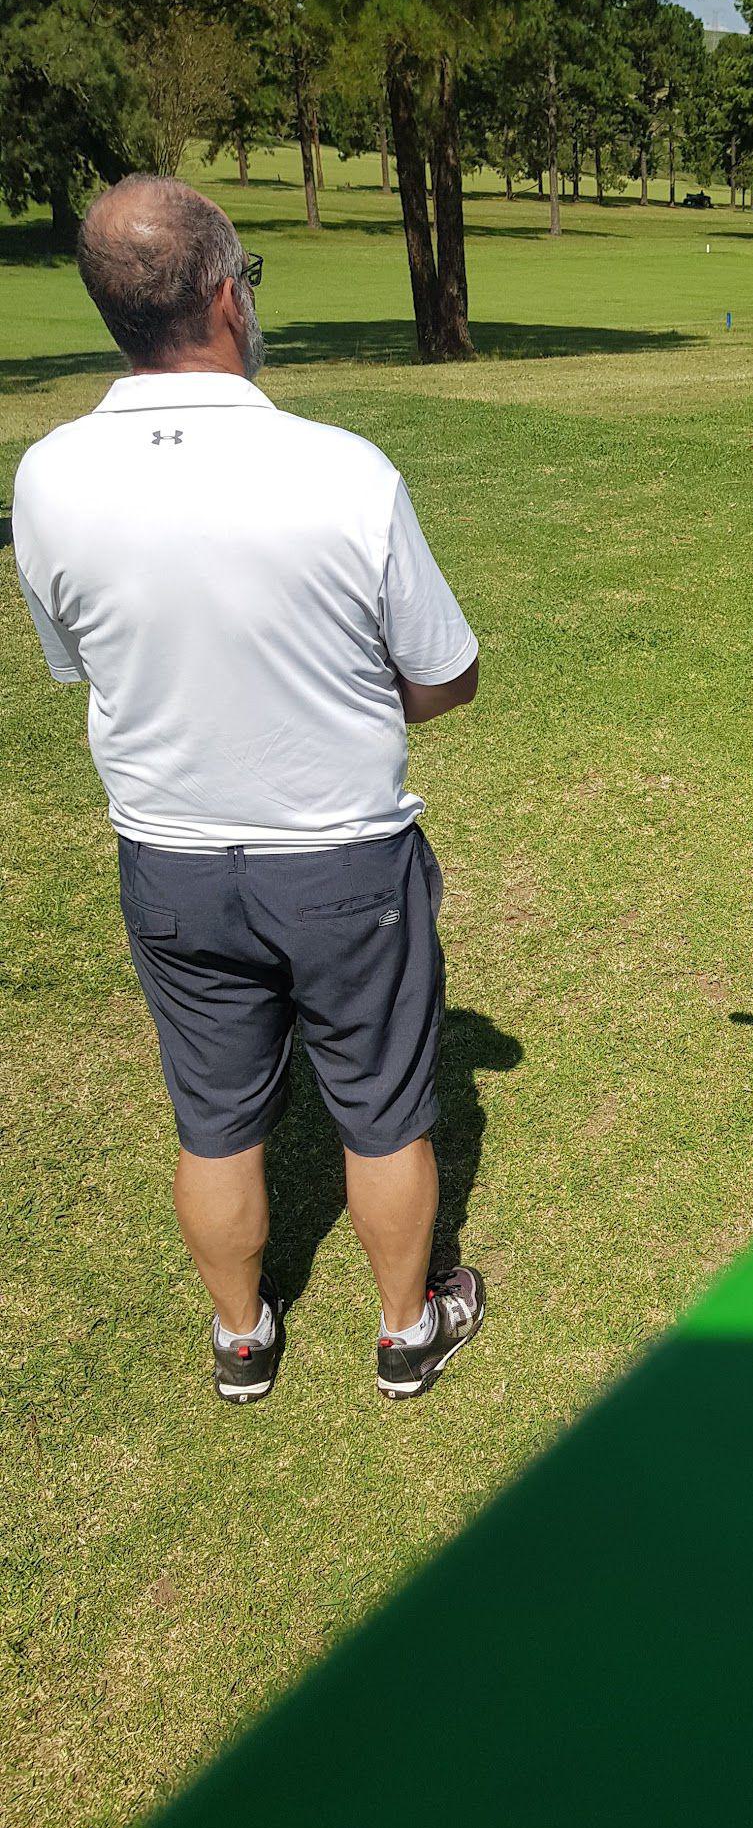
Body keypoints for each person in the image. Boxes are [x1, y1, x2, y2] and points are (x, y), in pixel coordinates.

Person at [12, 175, 485, 1406]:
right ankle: (402, 1328)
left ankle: (242, 1340)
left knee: (214, 1118)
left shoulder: (48, 475)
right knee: (381, 1110)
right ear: (225, 295)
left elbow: (82, 664)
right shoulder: (340, 469)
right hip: (340, 859)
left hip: (169, 859)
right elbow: (447, 677)